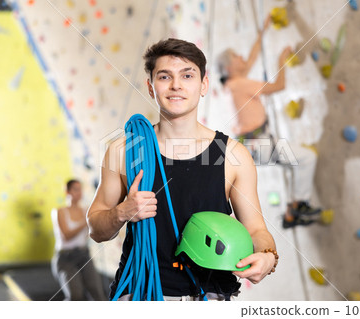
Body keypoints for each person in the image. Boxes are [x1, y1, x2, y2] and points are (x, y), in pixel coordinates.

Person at [87, 38, 278, 301]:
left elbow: (256, 230)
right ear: (151, 88)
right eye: (165, 76)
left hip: (208, 294)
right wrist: (121, 212)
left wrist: (268, 256)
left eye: (187, 75)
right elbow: (96, 228)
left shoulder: (234, 156)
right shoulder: (123, 151)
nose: (176, 85)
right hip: (140, 292)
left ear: (204, 85)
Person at [217, 17, 322, 229]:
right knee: (307, 158)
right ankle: (296, 208)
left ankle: (293, 214)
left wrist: (262, 32)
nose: (242, 58)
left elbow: (252, 58)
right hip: (259, 143)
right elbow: (279, 86)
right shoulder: (240, 83)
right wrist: (281, 61)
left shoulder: (232, 85)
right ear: (229, 67)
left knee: (299, 162)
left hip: (254, 144)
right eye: (237, 57)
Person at [51, 179, 106, 301]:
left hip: (83, 255)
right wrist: (86, 220)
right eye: (75, 189)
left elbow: (93, 232)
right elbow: (67, 235)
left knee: (97, 293)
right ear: (67, 192)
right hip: (65, 258)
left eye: (80, 189)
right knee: (75, 296)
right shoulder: (59, 211)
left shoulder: (86, 210)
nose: (79, 192)